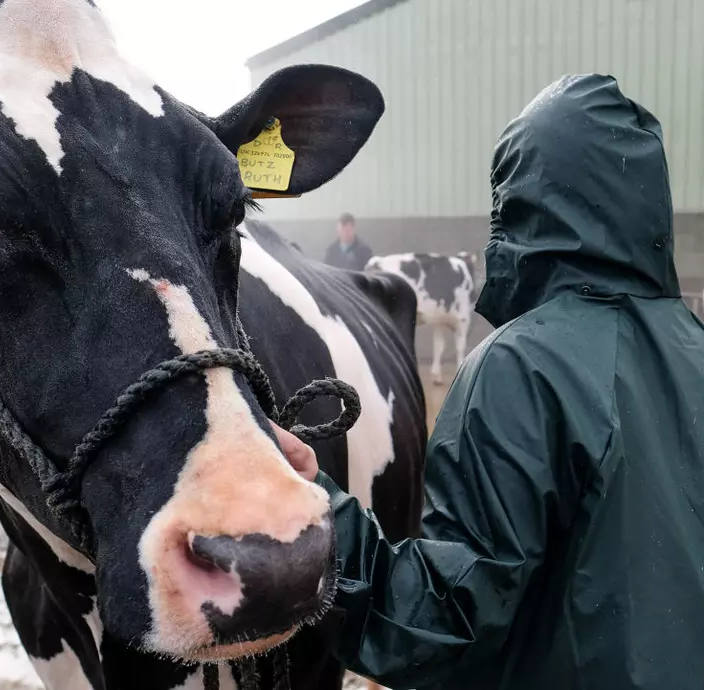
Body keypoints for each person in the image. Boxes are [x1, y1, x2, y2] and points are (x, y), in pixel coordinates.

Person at [272, 74, 704, 689]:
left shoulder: (521, 368)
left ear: (522, 205)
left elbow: (442, 625)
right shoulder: (694, 347)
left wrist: (317, 511)